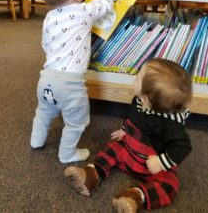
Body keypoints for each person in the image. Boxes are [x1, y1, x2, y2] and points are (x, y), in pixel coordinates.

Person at [64, 58, 192, 212]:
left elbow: (183, 147)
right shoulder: (139, 101)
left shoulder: (171, 125)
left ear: (147, 98)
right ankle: (91, 174)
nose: (135, 78)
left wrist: (160, 162)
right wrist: (125, 130)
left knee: (170, 186)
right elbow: (132, 116)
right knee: (112, 149)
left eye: (138, 77)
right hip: (130, 151)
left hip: (151, 166)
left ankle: (135, 197)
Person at [30, 0, 116, 163]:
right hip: (70, 85)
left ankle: (36, 140)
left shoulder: (49, 18)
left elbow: (45, 44)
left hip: (46, 79)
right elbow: (105, 6)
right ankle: (67, 153)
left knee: (44, 111)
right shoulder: (83, 11)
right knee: (76, 122)